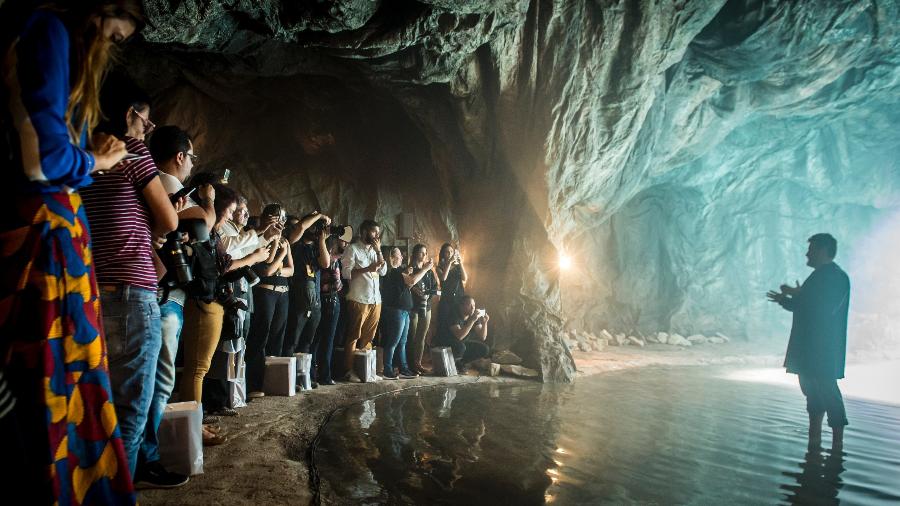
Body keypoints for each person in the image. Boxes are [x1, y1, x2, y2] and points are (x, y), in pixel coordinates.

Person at [0, 1, 144, 502]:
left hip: (48, 239)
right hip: (47, 244)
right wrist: (98, 158)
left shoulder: (35, 28)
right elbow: (42, 159)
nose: (110, 49)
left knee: (52, 384)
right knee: (55, 384)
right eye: (116, 36)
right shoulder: (49, 29)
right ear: (102, 10)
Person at [81, 82, 186, 487]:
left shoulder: (84, 153)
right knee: (131, 408)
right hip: (131, 290)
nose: (149, 127)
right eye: (146, 118)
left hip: (95, 291)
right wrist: (161, 216)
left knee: (101, 401)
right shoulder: (131, 149)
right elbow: (171, 220)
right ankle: (114, 492)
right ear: (129, 115)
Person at [767, 233, 850, 452]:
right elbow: (806, 305)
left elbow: (821, 308)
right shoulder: (821, 276)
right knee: (812, 391)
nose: (807, 253)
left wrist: (796, 294)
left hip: (822, 349)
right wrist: (788, 299)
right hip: (810, 348)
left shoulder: (835, 277)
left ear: (822, 250)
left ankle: (836, 445)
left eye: (811, 249)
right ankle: (816, 440)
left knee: (827, 390)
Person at [245, 204, 294, 398]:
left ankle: (274, 381)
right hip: (265, 292)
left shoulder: (285, 240)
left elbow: (291, 270)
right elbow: (266, 268)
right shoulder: (259, 237)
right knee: (260, 337)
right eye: (274, 218)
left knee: (277, 337)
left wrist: (280, 267)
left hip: (283, 292)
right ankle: (255, 383)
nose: (278, 222)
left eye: (281, 219)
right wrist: (279, 251)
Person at [283, 212, 331, 376]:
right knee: (292, 340)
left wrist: (322, 240)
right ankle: (288, 377)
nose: (315, 229)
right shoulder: (294, 243)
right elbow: (300, 227)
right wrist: (318, 215)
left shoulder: (314, 247)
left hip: (314, 300)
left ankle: (303, 376)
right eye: (313, 225)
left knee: (308, 341)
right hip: (297, 298)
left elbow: (325, 263)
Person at [341, 220, 388, 381]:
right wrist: (368, 269)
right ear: (363, 231)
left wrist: (379, 251)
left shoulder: (375, 251)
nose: (376, 235)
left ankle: (366, 369)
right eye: (373, 232)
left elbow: (383, 271)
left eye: (377, 232)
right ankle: (349, 370)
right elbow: (346, 273)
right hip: (358, 298)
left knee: (369, 337)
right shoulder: (352, 249)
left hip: (375, 300)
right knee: (354, 335)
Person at [381, 248, 433, 379]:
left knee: (402, 341)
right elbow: (411, 281)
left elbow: (406, 285)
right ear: (391, 258)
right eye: (399, 255)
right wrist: (425, 269)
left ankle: (404, 369)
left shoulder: (399, 272)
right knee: (393, 341)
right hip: (396, 310)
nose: (402, 258)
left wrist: (406, 273)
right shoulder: (391, 271)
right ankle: (388, 369)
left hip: (404, 310)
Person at [315, 236, 347, 385]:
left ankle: (313, 373)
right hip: (331, 300)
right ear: (333, 245)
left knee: (317, 338)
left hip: (318, 300)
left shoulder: (319, 257)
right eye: (342, 241)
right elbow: (338, 285)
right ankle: (325, 375)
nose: (345, 243)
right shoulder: (333, 261)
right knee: (328, 339)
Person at [407, 244, 439, 375]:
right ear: (415, 254)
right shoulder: (410, 269)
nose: (424, 255)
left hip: (426, 307)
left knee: (422, 336)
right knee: (411, 336)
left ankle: (418, 363)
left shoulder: (430, 272)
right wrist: (415, 291)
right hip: (413, 307)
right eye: (421, 253)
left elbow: (435, 287)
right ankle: (409, 364)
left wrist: (427, 295)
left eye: (425, 253)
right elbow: (408, 285)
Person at [435, 295, 491, 368]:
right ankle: (453, 364)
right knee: (460, 347)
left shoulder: (473, 316)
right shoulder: (453, 315)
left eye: (474, 305)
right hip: (447, 343)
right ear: (461, 306)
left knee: (484, 349)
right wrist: (472, 320)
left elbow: (482, 337)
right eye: (469, 305)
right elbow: (459, 336)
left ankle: (461, 363)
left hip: (462, 344)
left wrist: (484, 323)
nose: (473, 308)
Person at [436, 242, 467, 332]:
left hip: (458, 297)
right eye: (447, 252)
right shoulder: (439, 267)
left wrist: (460, 263)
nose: (450, 254)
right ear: (443, 254)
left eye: (451, 251)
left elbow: (464, 278)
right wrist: (449, 262)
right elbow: (443, 278)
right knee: (445, 322)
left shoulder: (457, 266)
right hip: (446, 299)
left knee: (456, 321)